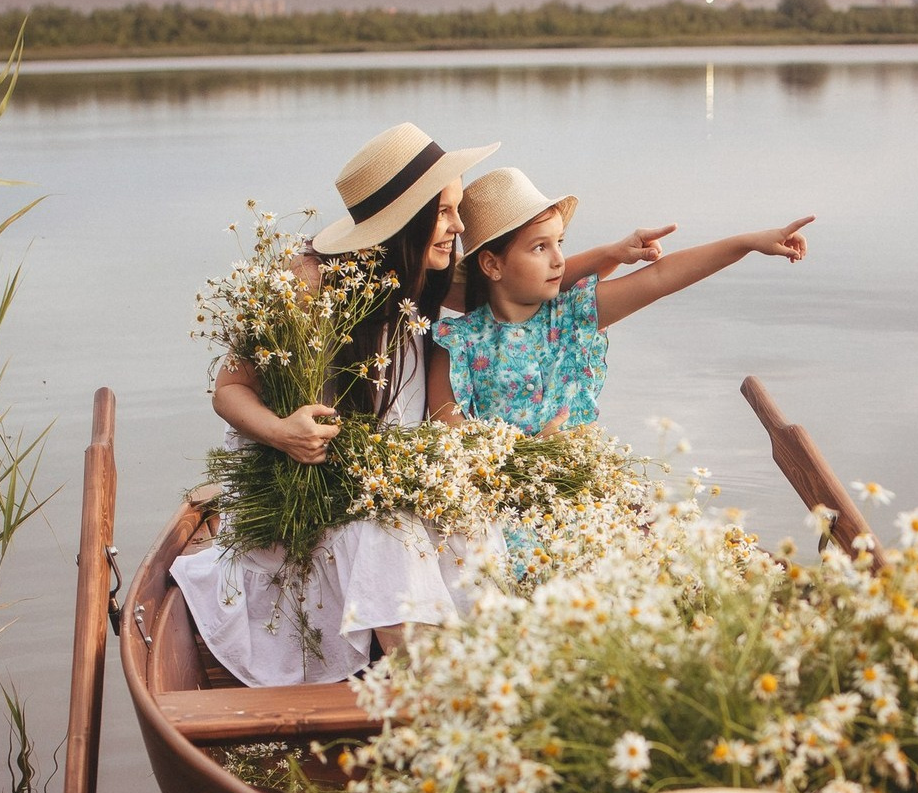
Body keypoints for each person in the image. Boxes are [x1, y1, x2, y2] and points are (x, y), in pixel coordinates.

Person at [173, 126, 670, 686]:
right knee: (385, 534)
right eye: (447, 212)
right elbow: (229, 389)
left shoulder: (426, 277)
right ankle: (429, 690)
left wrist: (612, 253)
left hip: (384, 473)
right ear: (406, 219)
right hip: (310, 478)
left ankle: (496, 669)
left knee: (470, 523)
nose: (459, 227)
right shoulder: (308, 282)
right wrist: (283, 431)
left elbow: (513, 275)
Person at [427, 167, 812, 437]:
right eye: (539, 248)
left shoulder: (572, 316)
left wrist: (746, 243)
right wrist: (530, 456)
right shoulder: (456, 342)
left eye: (559, 243)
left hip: (581, 506)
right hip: (502, 512)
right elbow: (452, 439)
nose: (558, 259)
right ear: (492, 264)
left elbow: (662, 276)